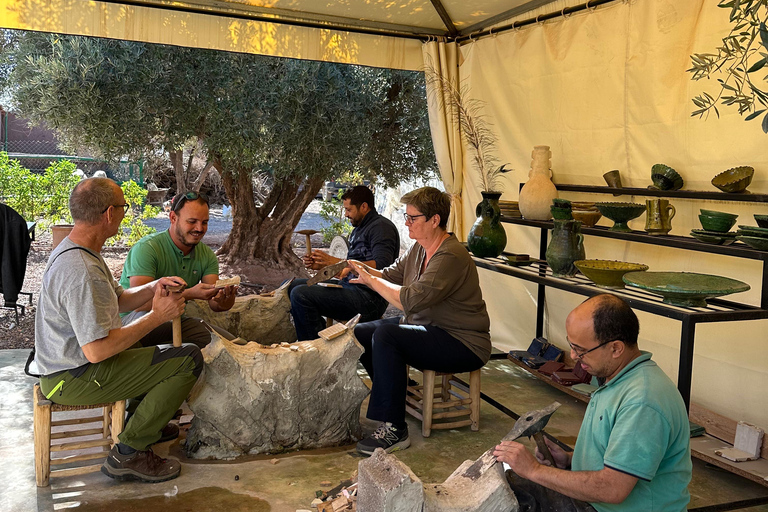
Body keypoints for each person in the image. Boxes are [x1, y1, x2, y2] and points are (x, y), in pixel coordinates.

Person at [33, 177, 204, 483]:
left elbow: (120, 300)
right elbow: (98, 351)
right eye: (124, 207)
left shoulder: (80, 250)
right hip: (72, 378)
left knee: (156, 343)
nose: (126, 213)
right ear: (109, 214)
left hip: (69, 368)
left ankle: (145, 419)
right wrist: (156, 315)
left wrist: (156, 286)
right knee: (187, 359)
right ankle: (129, 452)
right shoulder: (81, 270)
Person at [493, 294, 691, 512]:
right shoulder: (618, 377)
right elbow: (616, 452)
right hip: (596, 502)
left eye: (581, 350)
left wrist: (533, 470)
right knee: (505, 482)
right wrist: (569, 459)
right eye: (572, 345)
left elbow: (612, 489)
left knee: (515, 494)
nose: (573, 355)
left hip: (608, 506)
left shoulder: (643, 401)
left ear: (616, 348)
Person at [348, 186, 491, 455]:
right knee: (364, 332)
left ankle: (394, 428)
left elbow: (410, 300)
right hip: (432, 331)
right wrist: (355, 266)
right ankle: (393, 397)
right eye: (406, 216)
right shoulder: (419, 248)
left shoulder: (450, 255)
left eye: (412, 218)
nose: (406, 222)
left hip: (463, 342)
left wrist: (371, 281)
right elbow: (390, 274)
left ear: (435, 220)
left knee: (387, 336)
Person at [119, 191, 237, 348]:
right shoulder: (147, 248)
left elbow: (215, 304)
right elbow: (140, 305)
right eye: (192, 221)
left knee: (229, 344)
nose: (199, 228)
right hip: (132, 324)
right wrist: (189, 293)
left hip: (172, 320)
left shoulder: (207, 255)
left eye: (205, 222)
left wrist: (225, 299)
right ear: (173, 218)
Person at [290, 185, 399, 340]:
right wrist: (323, 265)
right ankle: (319, 339)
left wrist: (341, 263)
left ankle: (315, 352)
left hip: (369, 298)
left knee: (300, 294)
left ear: (364, 206)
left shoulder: (381, 227)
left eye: (349, 210)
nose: (346, 214)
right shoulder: (358, 229)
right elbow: (345, 272)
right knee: (293, 285)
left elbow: (383, 265)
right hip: (350, 288)